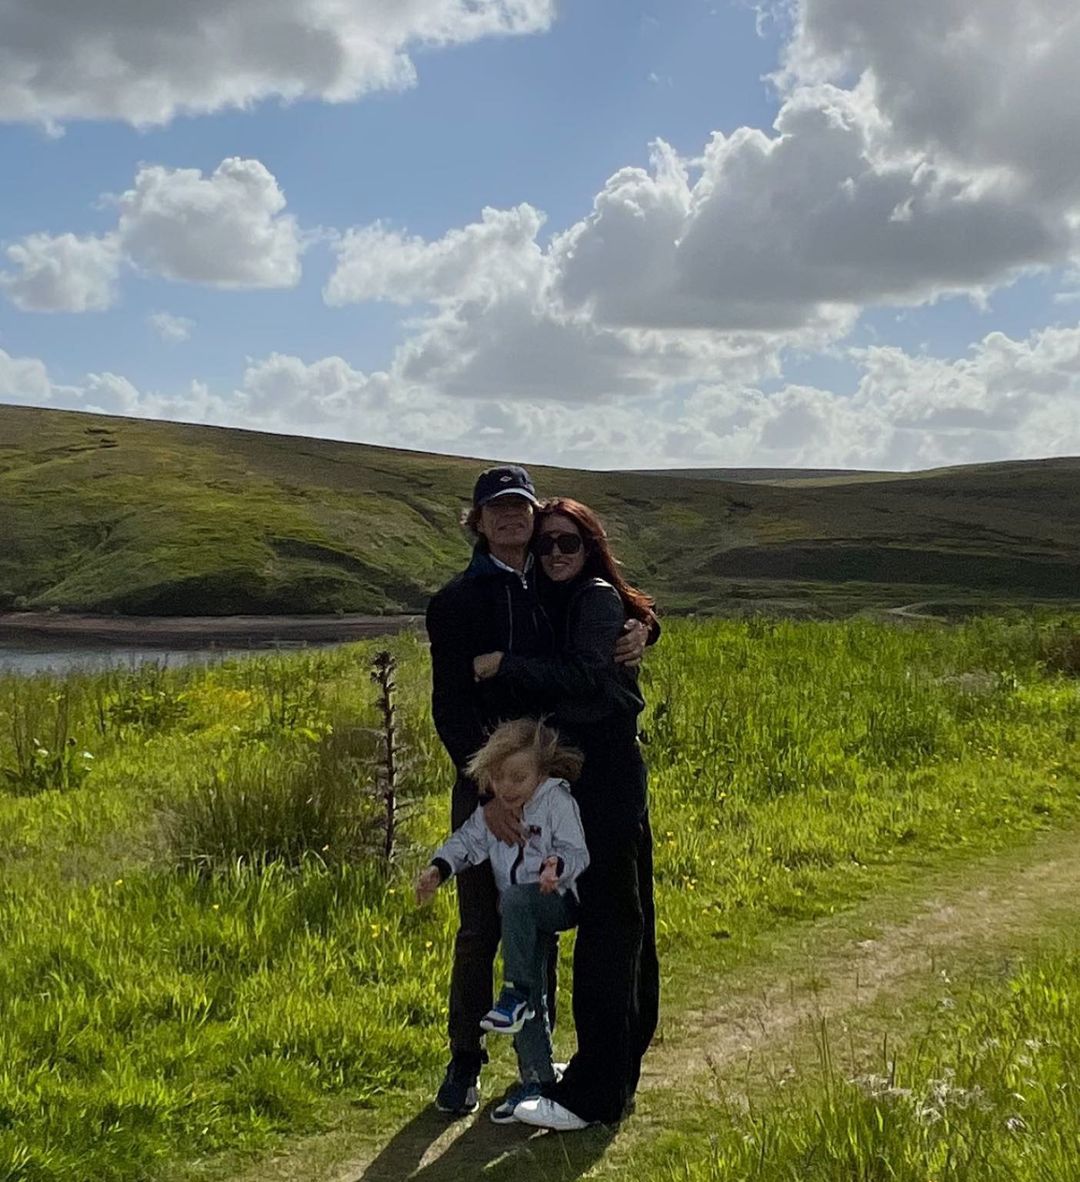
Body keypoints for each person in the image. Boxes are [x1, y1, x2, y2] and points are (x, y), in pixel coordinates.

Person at [425, 466, 648, 1116]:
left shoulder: (553, 588)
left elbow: (602, 626)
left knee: (536, 921)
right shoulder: (457, 602)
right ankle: (464, 1062)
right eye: (496, 509)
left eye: (519, 507)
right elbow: (451, 711)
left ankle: (535, 1066)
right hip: (487, 789)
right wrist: (493, 793)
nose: (512, 520)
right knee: (482, 927)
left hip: (552, 789)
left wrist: (644, 629)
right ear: (477, 520)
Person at [416, 718, 589, 1123]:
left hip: (556, 901)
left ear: (541, 772)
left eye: (519, 778)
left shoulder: (556, 801)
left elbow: (577, 850)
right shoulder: (493, 814)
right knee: (531, 1000)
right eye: (498, 779)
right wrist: (437, 871)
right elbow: (465, 843)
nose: (508, 788)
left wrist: (555, 865)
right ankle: (538, 1080)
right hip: (519, 915)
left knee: (513, 907)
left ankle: (513, 992)